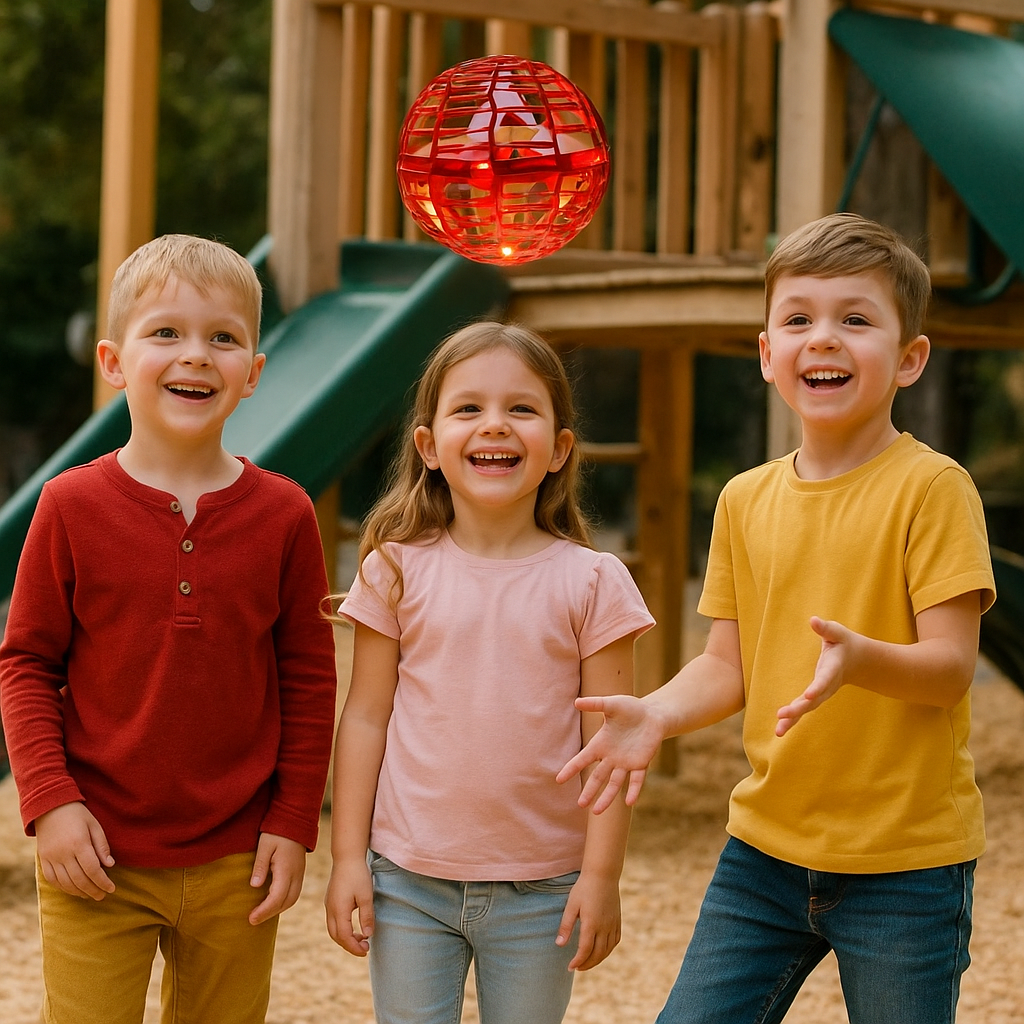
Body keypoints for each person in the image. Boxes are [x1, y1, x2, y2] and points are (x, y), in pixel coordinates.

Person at [558, 213, 996, 1024]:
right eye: (798, 320)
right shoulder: (744, 499)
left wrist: (863, 660)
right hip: (762, 852)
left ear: (910, 359)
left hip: (905, 863)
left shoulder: (933, 489)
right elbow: (727, 666)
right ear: (767, 354)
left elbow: (950, 669)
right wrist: (656, 712)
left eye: (855, 319)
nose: (822, 338)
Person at [0, 234, 338, 1024]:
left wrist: (293, 821)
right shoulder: (69, 507)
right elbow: (26, 664)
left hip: (238, 859)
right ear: (114, 362)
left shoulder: (286, 515)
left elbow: (309, 679)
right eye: (166, 333)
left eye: (222, 337)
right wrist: (51, 804)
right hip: (95, 853)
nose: (196, 355)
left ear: (253, 372)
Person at [324, 321, 654, 1024]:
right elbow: (365, 718)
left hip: (544, 889)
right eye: (469, 407)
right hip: (408, 883)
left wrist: (601, 876)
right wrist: (347, 857)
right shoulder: (393, 571)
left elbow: (611, 748)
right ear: (428, 446)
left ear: (559, 448)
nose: (495, 424)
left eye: (521, 408)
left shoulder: (594, 582)